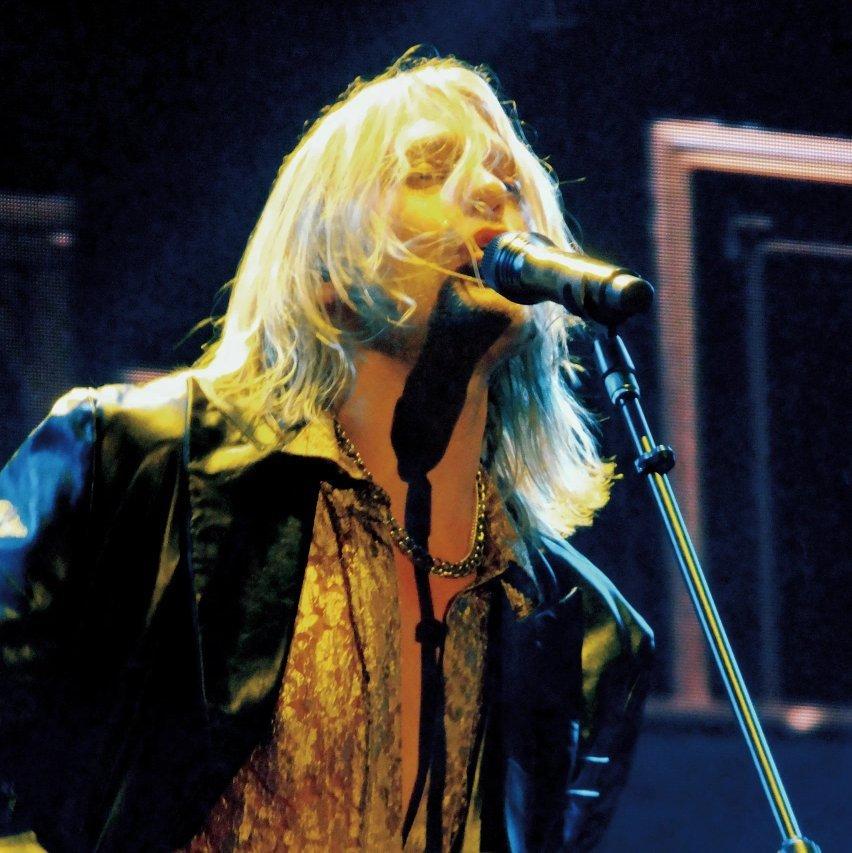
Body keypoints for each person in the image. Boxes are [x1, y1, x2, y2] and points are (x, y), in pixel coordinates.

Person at [0, 51, 653, 852]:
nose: (490, 192)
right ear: (325, 270)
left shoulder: (588, 634)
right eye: (427, 170)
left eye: (510, 181)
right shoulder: (131, 460)